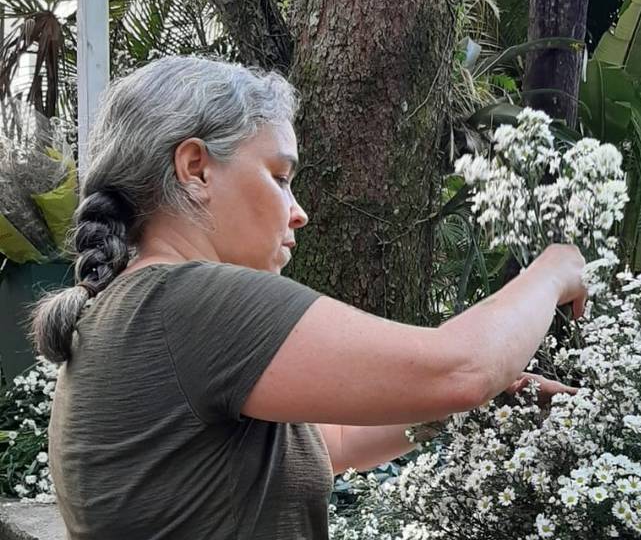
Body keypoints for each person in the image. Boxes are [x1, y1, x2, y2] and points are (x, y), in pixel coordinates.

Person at [31, 56, 587, 540]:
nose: (299, 212)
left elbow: (335, 442)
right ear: (195, 168)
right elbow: (463, 367)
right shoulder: (187, 301)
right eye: (279, 176)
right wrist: (554, 267)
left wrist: (465, 408)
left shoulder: (138, 312)